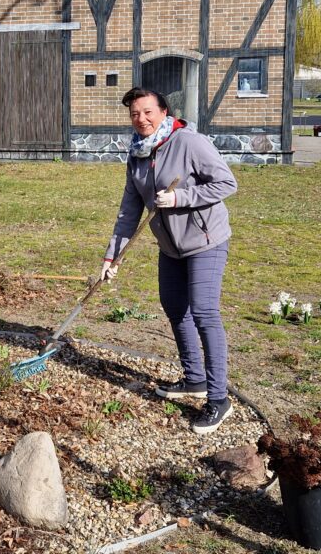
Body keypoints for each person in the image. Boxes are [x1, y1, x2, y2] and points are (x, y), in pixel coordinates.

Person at [101, 88, 238, 435]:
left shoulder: (189, 142)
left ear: (164, 112)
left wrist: (181, 197)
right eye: (135, 114)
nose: (141, 119)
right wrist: (112, 256)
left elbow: (226, 183)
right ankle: (194, 379)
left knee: (204, 311)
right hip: (170, 247)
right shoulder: (137, 153)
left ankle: (218, 398)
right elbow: (129, 210)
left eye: (148, 112)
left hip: (205, 240)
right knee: (175, 307)